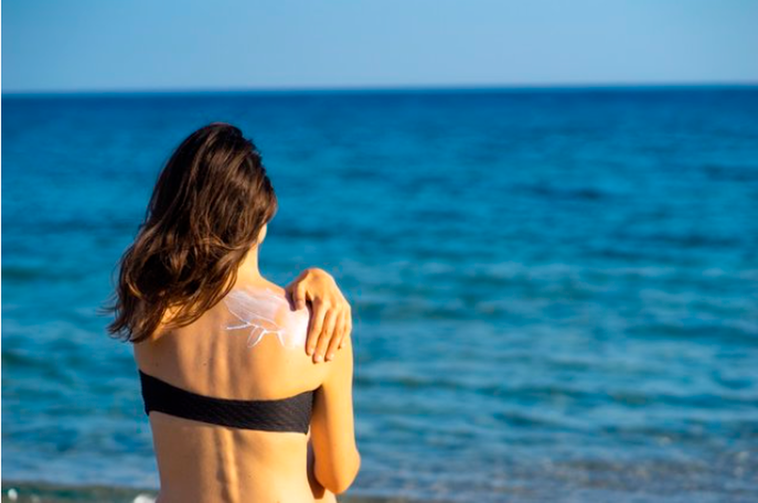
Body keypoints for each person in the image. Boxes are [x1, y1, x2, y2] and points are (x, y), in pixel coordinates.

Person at [103, 123, 360, 502]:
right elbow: (337, 475)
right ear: (261, 220)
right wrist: (321, 277)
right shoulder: (314, 326)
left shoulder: (149, 314)